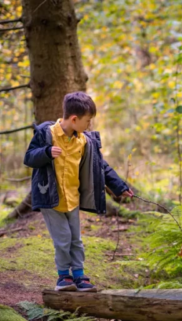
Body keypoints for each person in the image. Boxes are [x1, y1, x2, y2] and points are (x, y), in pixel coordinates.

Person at [23, 92, 133, 292]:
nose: (89, 126)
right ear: (74, 119)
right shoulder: (46, 134)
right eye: (87, 121)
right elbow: (29, 158)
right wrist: (46, 153)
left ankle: (79, 276)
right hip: (50, 198)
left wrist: (120, 187)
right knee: (63, 238)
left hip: (72, 199)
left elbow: (102, 167)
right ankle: (63, 277)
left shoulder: (84, 141)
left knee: (76, 239)